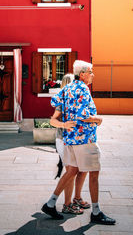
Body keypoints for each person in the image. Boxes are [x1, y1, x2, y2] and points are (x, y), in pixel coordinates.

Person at [41, 60, 116, 225]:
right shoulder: (83, 89)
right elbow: (83, 115)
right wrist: (98, 119)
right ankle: (96, 212)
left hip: (69, 140)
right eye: (91, 71)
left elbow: (54, 119)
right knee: (94, 173)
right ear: (82, 74)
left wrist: (64, 125)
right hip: (85, 140)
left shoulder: (66, 89)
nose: (93, 74)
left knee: (71, 171)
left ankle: (50, 203)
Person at [51, 73, 90, 215]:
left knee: (82, 169)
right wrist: (64, 124)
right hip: (63, 140)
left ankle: (77, 198)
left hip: (77, 140)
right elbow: (52, 121)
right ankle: (66, 205)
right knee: (71, 171)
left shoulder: (77, 100)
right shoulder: (62, 100)